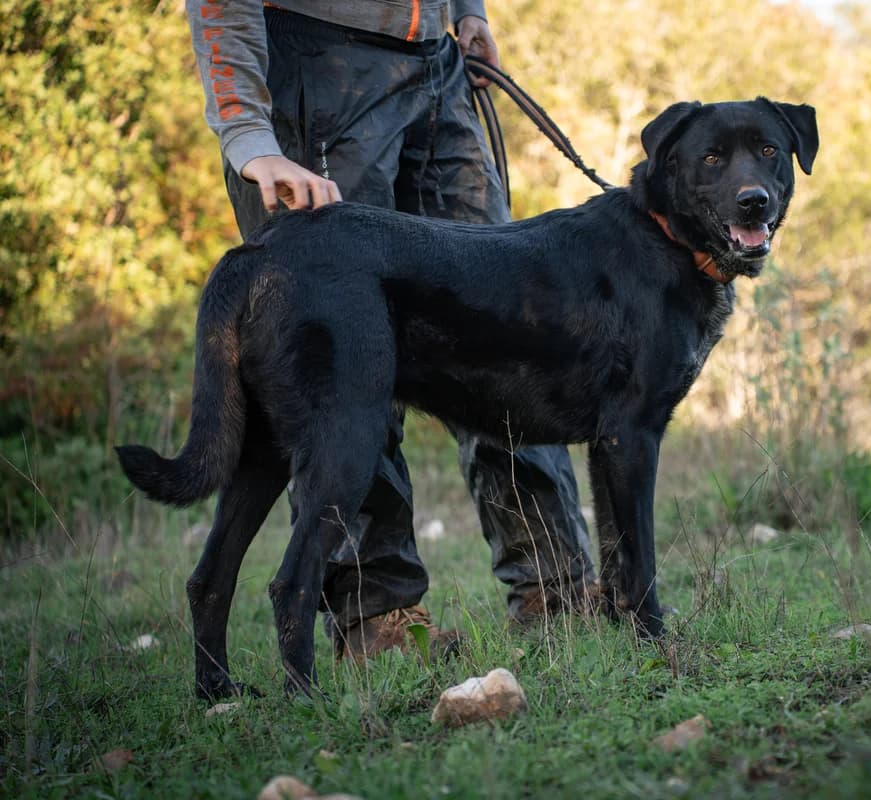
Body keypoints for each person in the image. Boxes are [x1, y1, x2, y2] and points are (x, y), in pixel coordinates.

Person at [185, 0, 598, 658]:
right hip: (319, 65)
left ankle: (556, 589)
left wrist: (465, 10)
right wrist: (248, 136)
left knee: (508, 332)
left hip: (438, 66)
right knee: (346, 371)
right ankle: (375, 615)